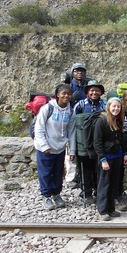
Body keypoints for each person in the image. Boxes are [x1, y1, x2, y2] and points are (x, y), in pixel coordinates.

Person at [33, 83, 76, 211]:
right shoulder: (48, 108)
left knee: (58, 173)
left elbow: (72, 132)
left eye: (69, 94)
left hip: (60, 148)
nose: (66, 96)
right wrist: (44, 145)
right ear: (57, 95)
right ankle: (46, 196)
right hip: (45, 148)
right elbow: (39, 128)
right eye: (64, 93)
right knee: (45, 173)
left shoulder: (70, 111)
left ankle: (56, 194)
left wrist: (72, 150)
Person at [94, 96, 127, 221]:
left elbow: (121, 139)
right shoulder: (101, 121)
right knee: (104, 184)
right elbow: (97, 142)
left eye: (118, 106)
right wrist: (103, 159)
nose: (116, 108)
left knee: (114, 184)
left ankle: (111, 209)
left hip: (117, 156)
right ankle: (102, 210)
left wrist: (124, 154)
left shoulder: (118, 120)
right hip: (107, 157)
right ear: (108, 107)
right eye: (114, 106)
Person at [73, 80, 106, 205]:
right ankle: (86, 193)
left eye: (97, 90)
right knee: (85, 168)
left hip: (99, 142)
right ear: (87, 92)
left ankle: (98, 191)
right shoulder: (80, 105)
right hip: (83, 142)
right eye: (92, 90)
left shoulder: (104, 104)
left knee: (98, 168)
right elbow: (73, 123)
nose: (94, 92)